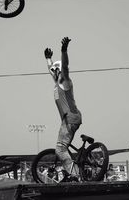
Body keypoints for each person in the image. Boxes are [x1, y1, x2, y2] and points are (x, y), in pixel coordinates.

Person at [44, 37, 82, 182]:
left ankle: (75, 175)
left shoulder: (65, 80)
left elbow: (65, 66)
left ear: (60, 71)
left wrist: (64, 50)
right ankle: (75, 169)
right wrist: (48, 59)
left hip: (70, 119)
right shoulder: (57, 81)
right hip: (71, 118)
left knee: (60, 149)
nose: (53, 73)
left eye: (55, 71)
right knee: (64, 148)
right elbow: (51, 70)